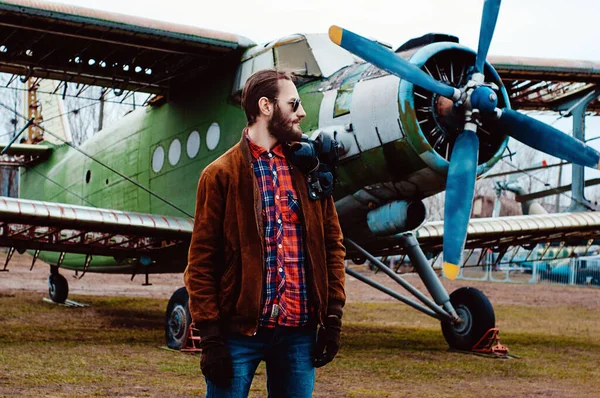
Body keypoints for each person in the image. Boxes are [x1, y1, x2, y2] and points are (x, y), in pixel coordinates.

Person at [184, 68, 346, 397]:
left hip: (299, 334)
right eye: (293, 103)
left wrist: (332, 319)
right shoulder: (219, 175)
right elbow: (201, 261)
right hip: (237, 334)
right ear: (266, 107)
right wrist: (211, 337)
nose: (302, 112)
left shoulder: (310, 169)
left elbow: (332, 247)